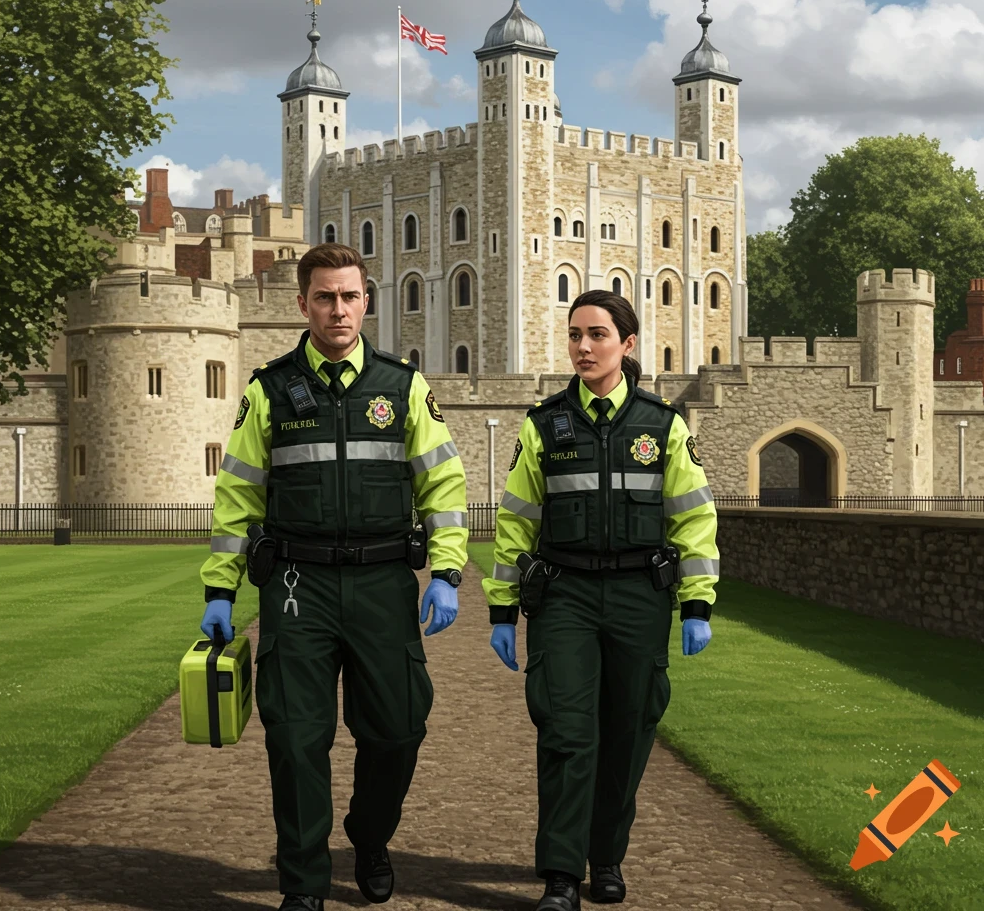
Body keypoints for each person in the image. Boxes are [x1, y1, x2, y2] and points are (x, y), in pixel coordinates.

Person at [199, 242, 469, 911]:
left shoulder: (403, 387)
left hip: (382, 584)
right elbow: (238, 495)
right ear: (303, 304)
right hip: (298, 586)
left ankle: (369, 837)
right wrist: (220, 589)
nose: (338, 309)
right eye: (325, 297)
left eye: (350, 296)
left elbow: (442, 485)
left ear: (366, 302)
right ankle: (304, 885)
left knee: (399, 730)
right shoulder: (267, 390)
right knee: (295, 740)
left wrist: (447, 571)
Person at [485, 289, 719, 911]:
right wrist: (503, 609)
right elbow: (516, 522)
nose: (583, 347)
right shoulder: (543, 425)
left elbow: (693, 519)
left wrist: (697, 604)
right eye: (574, 335)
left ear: (627, 343)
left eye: (597, 335)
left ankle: (607, 856)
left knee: (629, 731)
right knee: (566, 733)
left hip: (641, 597)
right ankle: (561, 874)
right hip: (565, 596)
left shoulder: (663, 426)